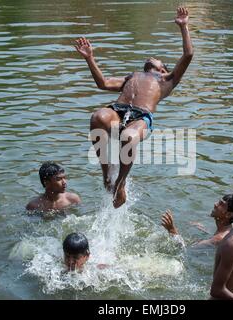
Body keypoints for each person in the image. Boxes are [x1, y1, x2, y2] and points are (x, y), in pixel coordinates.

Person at [75, 6, 194, 208]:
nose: (150, 58)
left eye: (156, 60)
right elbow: (102, 83)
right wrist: (89, 58)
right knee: (97, 117)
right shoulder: (132, 76)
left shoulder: (167, 79)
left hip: (141, 118)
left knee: (128, 138)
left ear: (163, 69)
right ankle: (107, 175)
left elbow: (188, 54)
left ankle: (120, 184)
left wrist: (184, 27)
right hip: (118, 110)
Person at [161, 194, 233, 247]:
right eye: (219, 201)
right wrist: (204, 230)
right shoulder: (230, 227)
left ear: (229, 215)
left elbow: (185, 250)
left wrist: (172, 230)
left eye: (221, 204)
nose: (215, 204)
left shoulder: (218, 239)